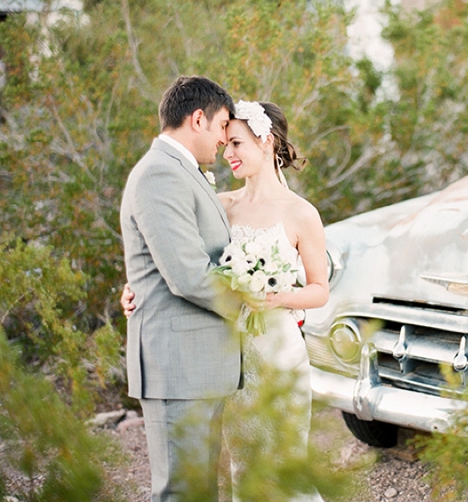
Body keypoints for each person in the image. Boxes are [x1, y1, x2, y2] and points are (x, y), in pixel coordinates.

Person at [123, 100, 329, 502]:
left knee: (283, 464)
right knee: (243, 465)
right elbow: (177, 258)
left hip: (278, 354)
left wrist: (277, 297)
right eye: (225, 141)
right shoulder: (222, 206)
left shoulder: (301, 213)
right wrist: (134, 287)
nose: (227, 152)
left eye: (236, 143)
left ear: (266, 141)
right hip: (228, 357)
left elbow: (320, 290)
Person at [119, 76, 243, 502]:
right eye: (222, 124)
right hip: (177, 366)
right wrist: (255, 305)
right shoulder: (158, 174)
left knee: (201, 491)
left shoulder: (183, 173)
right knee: (181, 493)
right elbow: (187, 274)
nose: (224, 138)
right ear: (197, 119)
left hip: (198, 365)